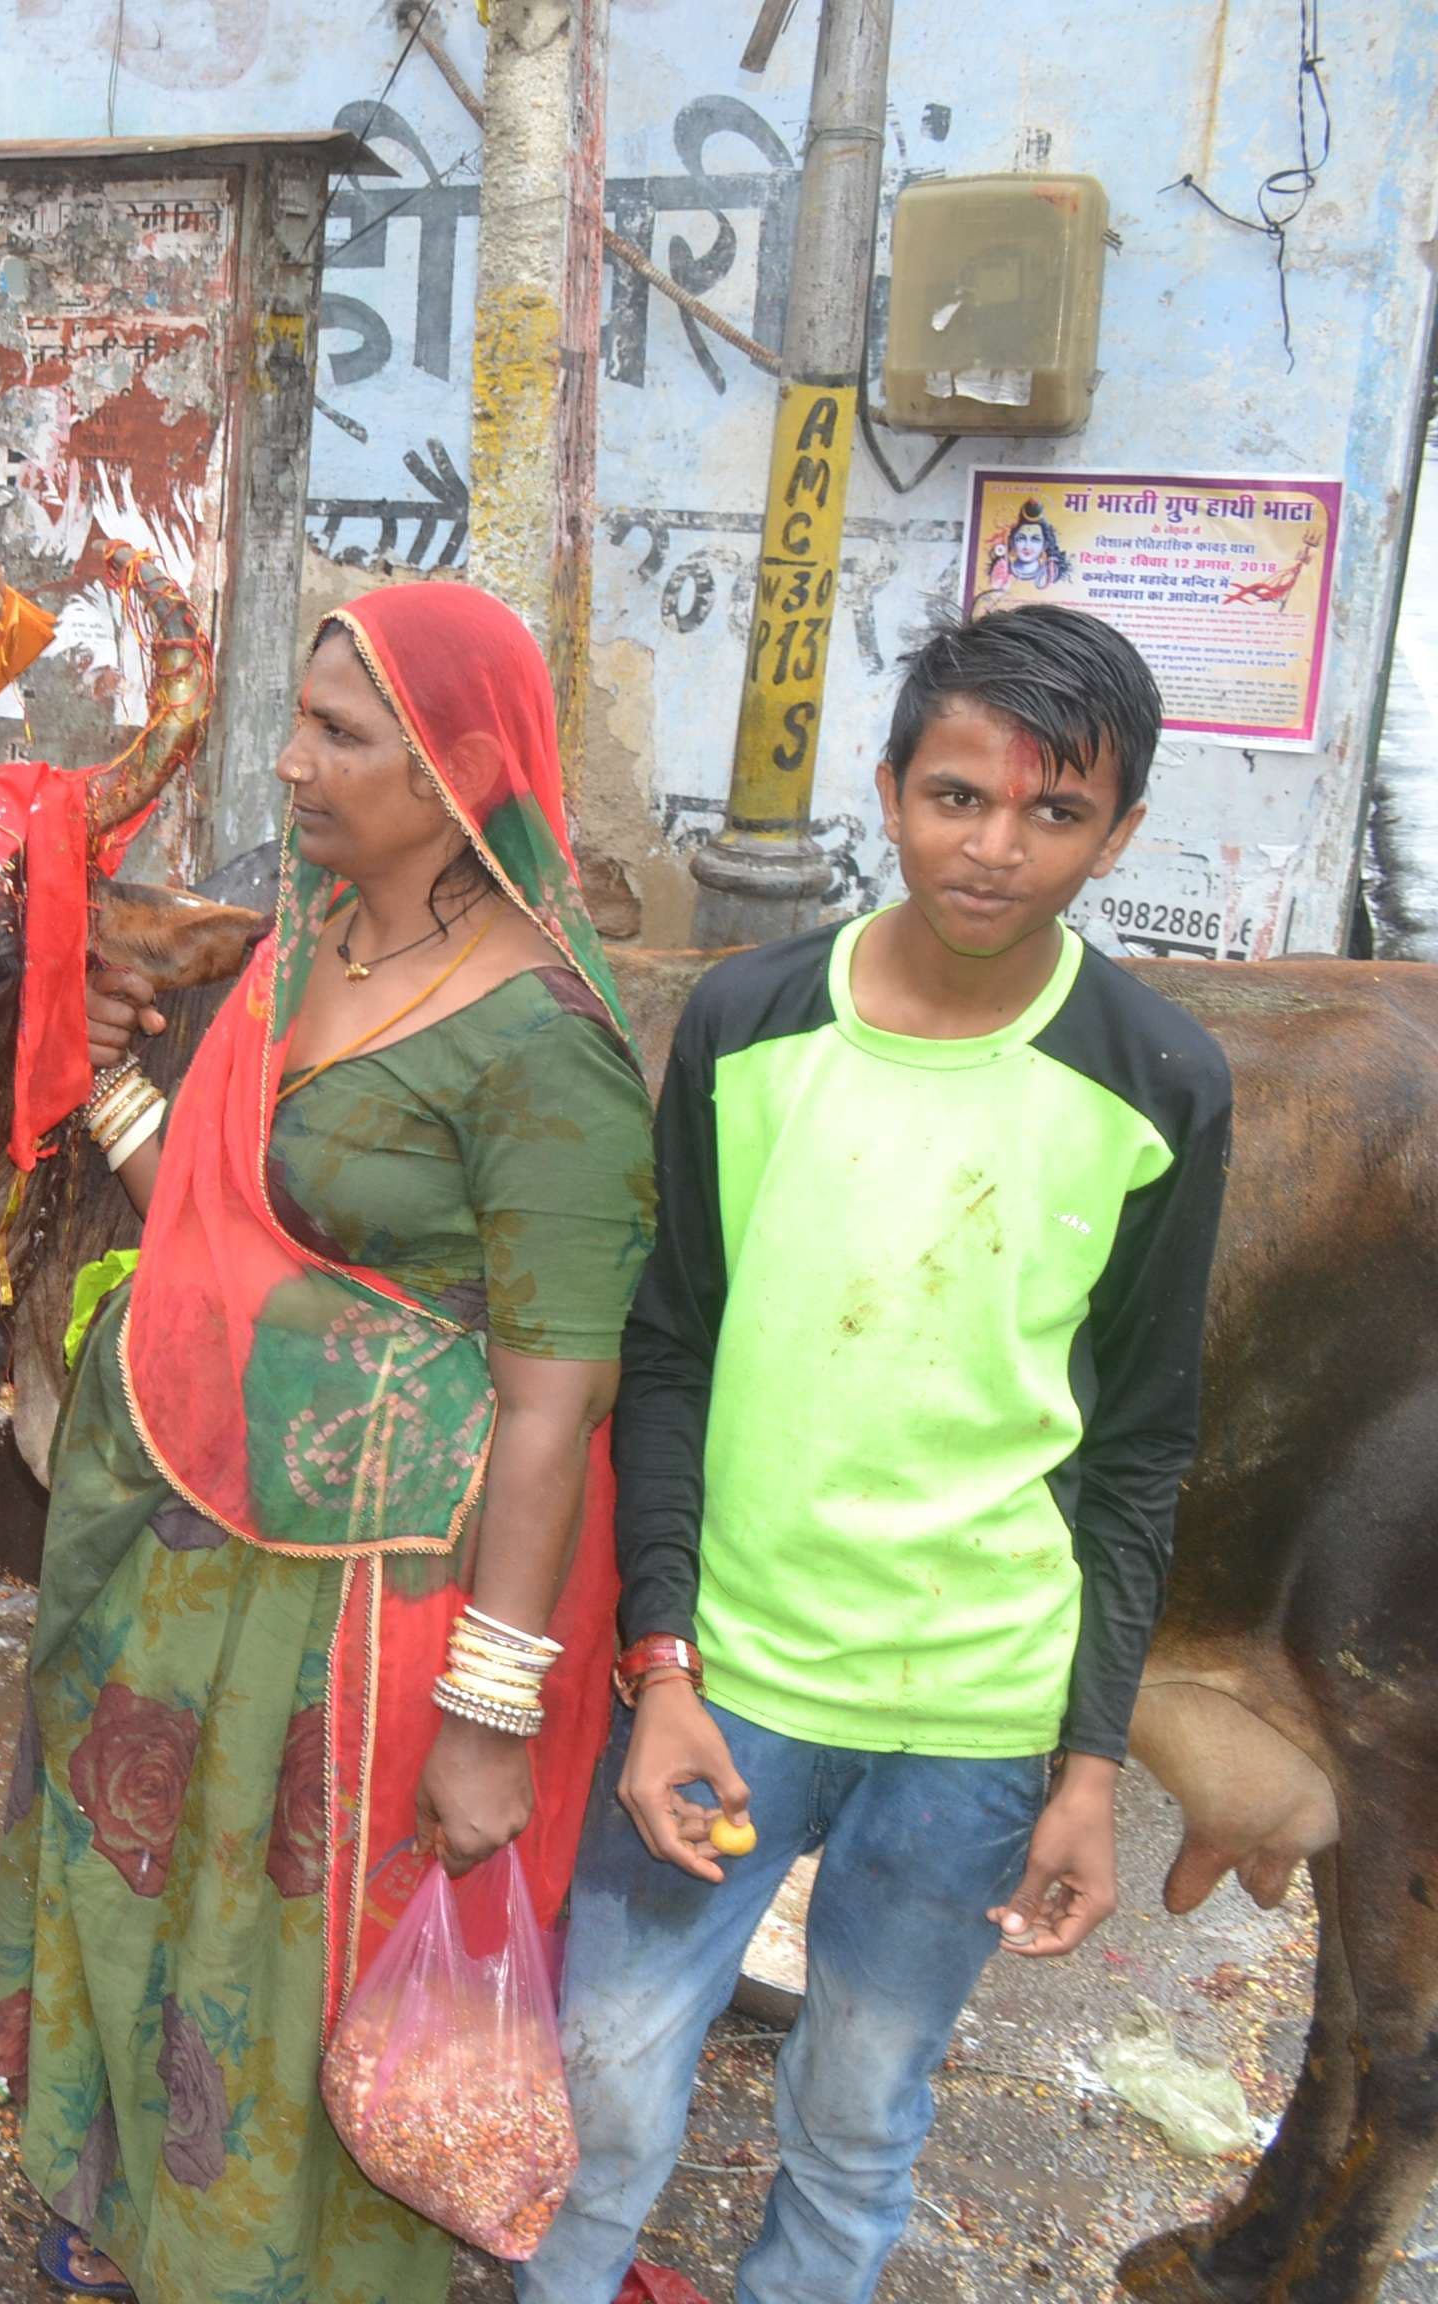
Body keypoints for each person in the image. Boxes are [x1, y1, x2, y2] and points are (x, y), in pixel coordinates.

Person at [520, 606, 1230, 2304]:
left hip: (977, 1708)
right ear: (891, 786)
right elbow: (669, 1345)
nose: (995, 847)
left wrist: (1087, 1760)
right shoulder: (750, 1024)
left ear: (1117, 832)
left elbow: (1138, 1446)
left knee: (857, 2105)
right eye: (958, 795)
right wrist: (662, 1651)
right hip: (736, 1678)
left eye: (1052, 814)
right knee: (603, 2067)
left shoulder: (1157, 1080)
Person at [0, 581, 656, 2301]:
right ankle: (151, 2224)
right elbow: (227, 1238)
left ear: (454, 770)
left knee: (309, 1956)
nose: (286, 762)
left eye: (339, 733)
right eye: (297, 718)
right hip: (216, 1552)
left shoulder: (546, 1050)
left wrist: (487, 1716)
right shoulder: (307, 949)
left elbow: (554, 1404)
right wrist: (114, 1083)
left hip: (385, 1605)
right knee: (173, 1909)